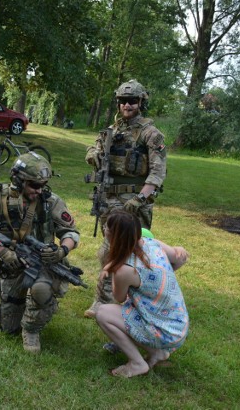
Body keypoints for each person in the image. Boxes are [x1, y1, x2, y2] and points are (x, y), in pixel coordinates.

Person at [0, 152, 79, 353]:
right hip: (13, 265)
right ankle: (19, 306)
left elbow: (70, 232)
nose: (40, 191)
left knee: (41, 290)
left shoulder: (51, 202)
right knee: (8, 328)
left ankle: (31, 330)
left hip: (43, 263)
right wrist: (4, 253)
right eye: (34, 185)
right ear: (17, 180)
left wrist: (62, 250)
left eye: (43, 185)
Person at [84, 79, 167, 320]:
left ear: (141, 102)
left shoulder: (150, 134)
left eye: (132, 101)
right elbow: (93, 149)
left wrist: (140, 198)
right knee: (109, 251)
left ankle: (109, 299)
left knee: (124, 251)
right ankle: (107, 295)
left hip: (133, 201)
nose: (127, 105)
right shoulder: (112, 130)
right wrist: (94, 156)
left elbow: (157, 172)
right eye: (122, 101)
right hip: (108, 198)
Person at [95, 210, 189, 377]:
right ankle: (157, 353)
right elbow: (180, 257)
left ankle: (137, 363)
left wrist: (113, 272)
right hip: (178, 325)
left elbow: (119, 298)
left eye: (106, 228)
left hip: (164, 333)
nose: (104, 230)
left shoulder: (125, 270)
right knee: (130, 310)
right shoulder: (152, 243)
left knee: (103, 313)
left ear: (112, 236)